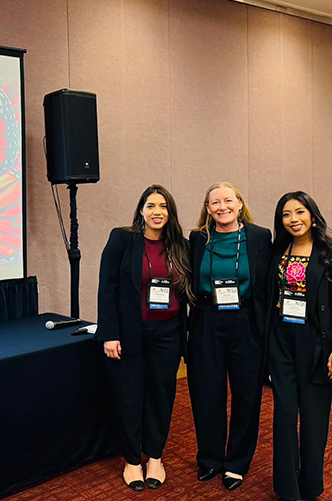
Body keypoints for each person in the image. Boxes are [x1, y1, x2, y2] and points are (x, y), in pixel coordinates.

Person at [97, 184, 193, 491]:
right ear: (141, 210)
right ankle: (131, 460)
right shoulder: (122, 239)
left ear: (170, 212)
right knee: (129, 396)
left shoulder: (180, 245)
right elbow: (107, 287)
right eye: (151, 206)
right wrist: (109, 334)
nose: (157, 212)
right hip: (130, 332)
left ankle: (154, 456)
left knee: (161, 396)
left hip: (168, 334)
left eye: (163, 206)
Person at [266, 191, 332, 501]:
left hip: (318, 344)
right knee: (284, 415)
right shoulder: (277, 252)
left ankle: (310, 486)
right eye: (286, 214)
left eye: (300, 212)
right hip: (281, 342)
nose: (293, 219)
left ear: (313, 216)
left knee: (314, 418)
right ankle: (287, 489)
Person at [186, 182, 272, 491]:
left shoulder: (260, 237)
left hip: (245, 320)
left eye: (228, 200)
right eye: (215, 202)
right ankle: (210, 458)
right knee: (206, 392)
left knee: (246, 394)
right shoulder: (198, 239)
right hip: (207, 320)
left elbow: (267, 284)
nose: (222, 207)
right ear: (207, 209)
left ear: (239, 203)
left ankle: (237, 463)